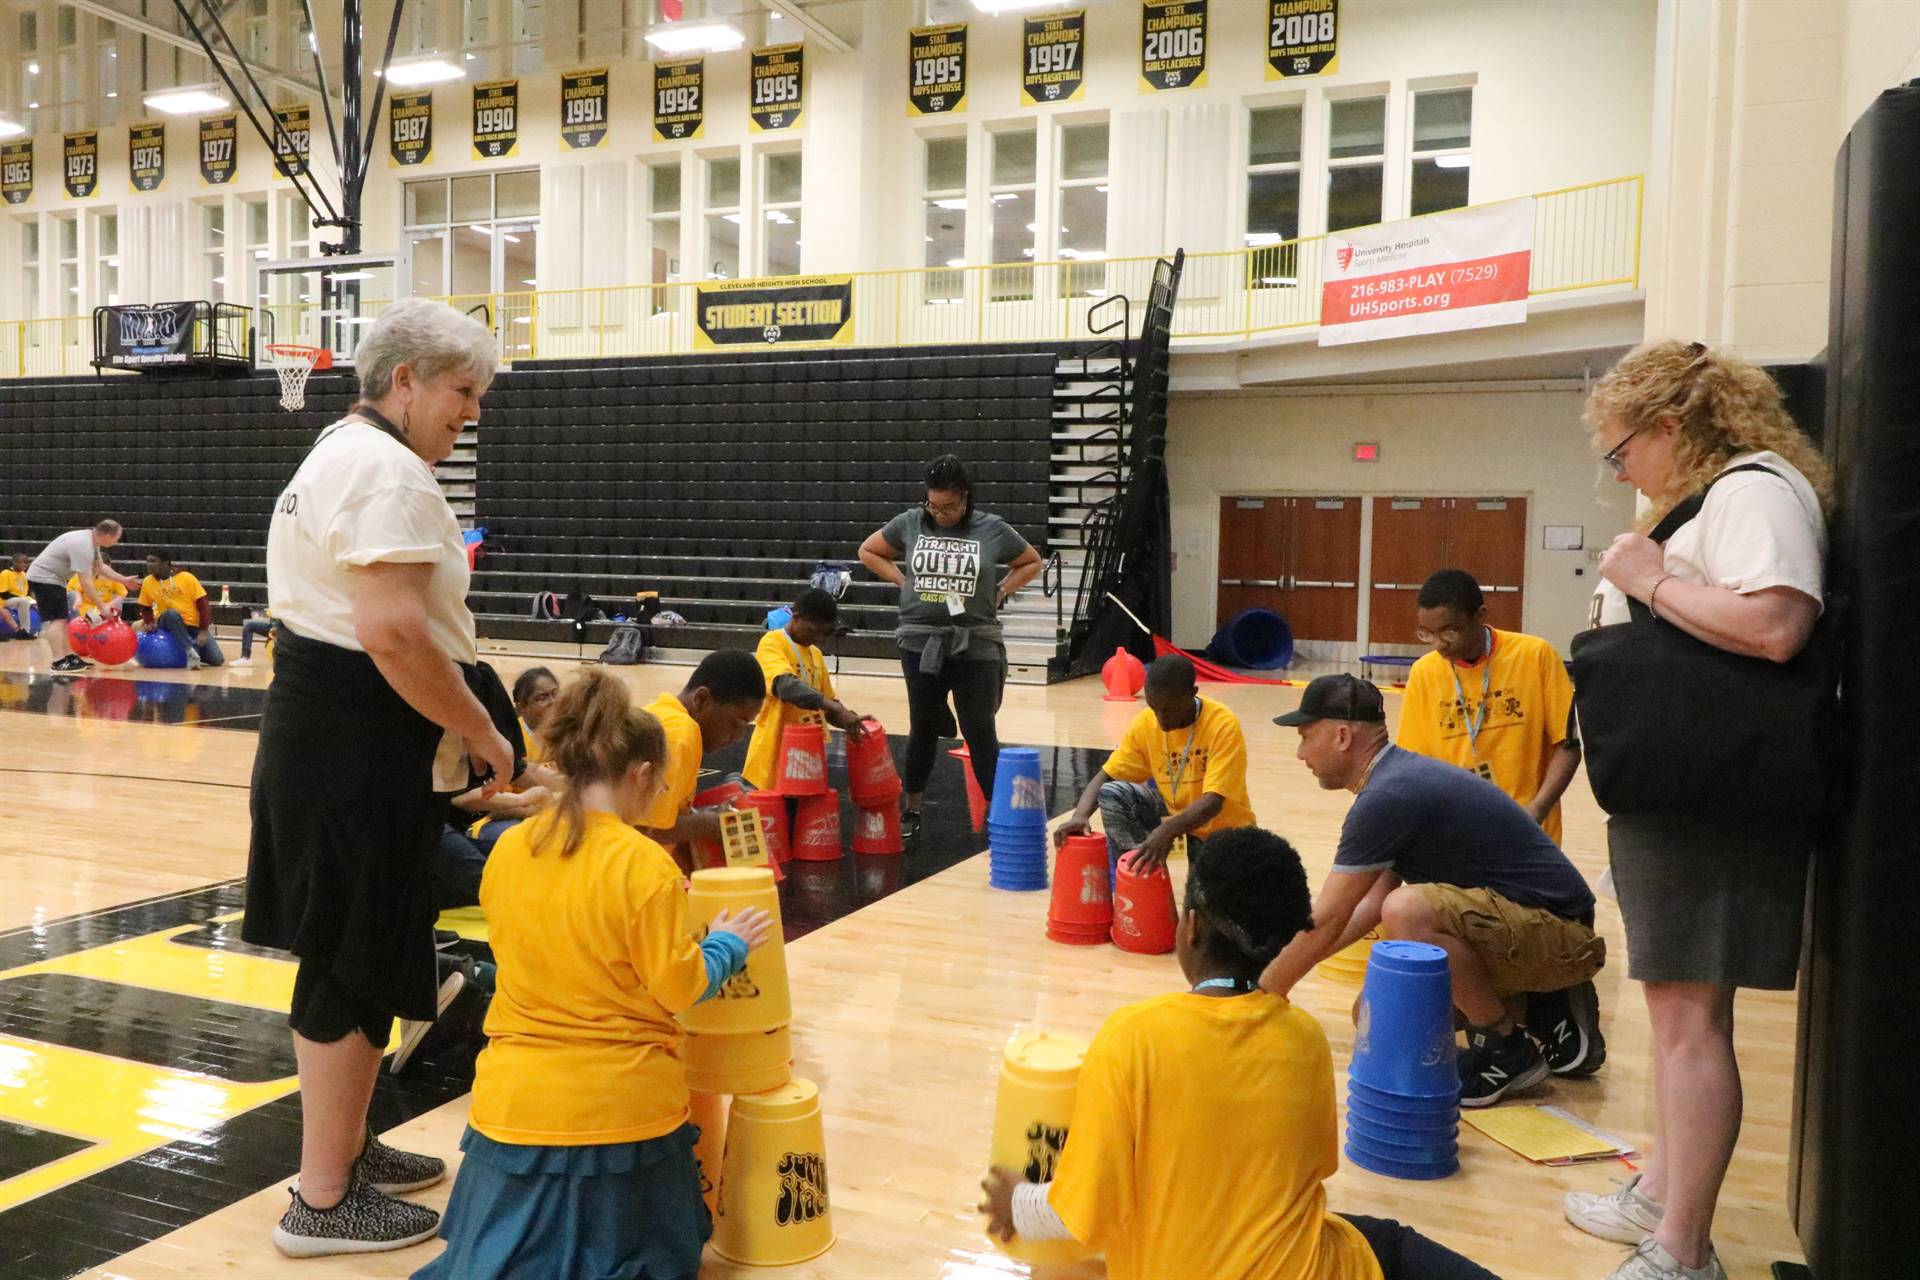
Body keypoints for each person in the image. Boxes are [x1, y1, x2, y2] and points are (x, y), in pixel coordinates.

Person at [242, 298, 514, 1257]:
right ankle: (323, 1202)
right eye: (460, 390)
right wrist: (480, 730)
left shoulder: (344, 453)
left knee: (357, 946)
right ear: (403, 380)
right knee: (350, 959)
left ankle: (347, 1154)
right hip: (350, 744)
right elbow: (394, 633)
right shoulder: (385, 471)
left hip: (341, 740)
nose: (469, 412)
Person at [1560, 341, 1831, 1280]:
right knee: (1676, 1009)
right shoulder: (1717, 499)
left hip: (1716, 799)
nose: (1621, 468)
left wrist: (1651, 580)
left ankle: (1683, 1250)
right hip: (1678, 794)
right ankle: (1661, 1194)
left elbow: (1777, 625)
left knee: (1688, 1022)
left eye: (1622, 448)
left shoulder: (1755, 491)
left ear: (1672, 427)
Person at [980, 826, 1501, 1280]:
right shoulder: (1304, 1039)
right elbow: (1312, 1167)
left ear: (1190, 927)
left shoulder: (1131, 1037)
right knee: (1389, 1244)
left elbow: (1083, 1213)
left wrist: (1016, 1204)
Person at [417, 668, 773, 1280]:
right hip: (623, 1113)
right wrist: (727, 946)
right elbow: (681, 987)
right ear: (639, 775)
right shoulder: (644, 866)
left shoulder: (509, 848)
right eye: (658, 782)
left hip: (512, 1106)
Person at [1261, 675, 1606, 1108]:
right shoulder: (1396, 780)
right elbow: (1361, 908)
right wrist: (1287, 959)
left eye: (1305, 737)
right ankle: (1537, 1006)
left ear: (1343, 736)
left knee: (1406, 909)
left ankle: (1506, 1047)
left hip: (1563, 933)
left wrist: (1266, 990)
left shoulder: (1388, 795)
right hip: (1530, 924)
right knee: (1375, 1018)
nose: (1300, 753)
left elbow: (1334, 915)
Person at [1398, 568, 1598, 1077]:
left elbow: (1567, 746)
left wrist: (1535, 809)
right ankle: (1524, 1014)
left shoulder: (1533, 656)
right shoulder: (1425, 674)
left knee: (1519, 935)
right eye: (1428, 634)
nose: (1440, 645)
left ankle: (1561, 988)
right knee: (1459, 947)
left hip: (1526, 845)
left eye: (1451, 631)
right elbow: (1418, 769)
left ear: (1482, 618)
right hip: (1459, 849)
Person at [858, 454, 1043, 840]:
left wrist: (1001, 590)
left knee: (979, 729)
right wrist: (902, 581)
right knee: (921, 726)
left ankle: (996, 812)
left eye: (950, 507)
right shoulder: (910, 522)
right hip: (919, 640)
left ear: (966, 498)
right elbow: (869, 551)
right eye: (934, 506)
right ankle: (912, 807)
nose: (941, 514)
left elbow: (1031, 561)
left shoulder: (991, 528)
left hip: (975, 642)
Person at [1054, 653, 1257, 875]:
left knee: (1201, 906)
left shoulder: (1222, 724)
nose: (1161, 718)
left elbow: (1213, 802)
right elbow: (1107, 775)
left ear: (1192, 693)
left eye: (1168, 710)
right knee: (1114, 793)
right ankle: (1137, 878)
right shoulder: (1146, 723)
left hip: (1221, 831)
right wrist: (1080, 816)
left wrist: (1166, 831)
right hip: (1174, 813)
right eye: (1154, 708)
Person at [638, 649, 766, 872]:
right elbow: (643, 830)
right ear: (701, 699)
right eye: (736, 724)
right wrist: (708, 824)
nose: (737, 738)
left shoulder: (663, 716)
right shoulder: (680, 734)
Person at [742, 588, 869, 791]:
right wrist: (833, 707)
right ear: (796, 618)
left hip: (806, 759)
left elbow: (827, 706)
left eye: (824, 633)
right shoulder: (773, 642)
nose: (817, 638)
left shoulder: (816, 654)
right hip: (772, 758)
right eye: (813, 630)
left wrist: (847, 718)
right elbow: (785, 686)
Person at [26, 520, 139, 671]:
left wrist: (123, 580)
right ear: (107, 535)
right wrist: (102, 607)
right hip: (44, 578)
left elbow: (100, 567)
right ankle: (57, 661)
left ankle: (68, 657)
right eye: (117, 538)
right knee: (57, 620)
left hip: (54, 579)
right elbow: (86, 583)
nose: (117, 542)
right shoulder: (82, 546)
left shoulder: (91, 540)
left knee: (62, 620)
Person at [135, 554, 225, 668]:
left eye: (153, 561)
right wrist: (149, 622)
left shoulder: (187, 578)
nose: (149, 565)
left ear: (166, 563)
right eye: (147, 562)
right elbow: (145, 606)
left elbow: (204, 606)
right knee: (172, 613)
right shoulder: (148, 582)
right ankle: (190, 652)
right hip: (167, 621)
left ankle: (192, 649)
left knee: (217, 660)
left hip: (191, 625)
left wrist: (203, 631)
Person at [1, 553, 37, 638]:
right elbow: (3, 594)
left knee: (35, 602)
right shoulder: (6, 573)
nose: (24, 565)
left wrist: (33, 602)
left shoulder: (24, 574)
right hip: (6, 600)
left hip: (21, 599)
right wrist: (21, 598)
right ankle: (24, 631)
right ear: (14, 562)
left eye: (26, 562)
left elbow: (26, 592)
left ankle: (37, 629)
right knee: (23, 602)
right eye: (21, 562)